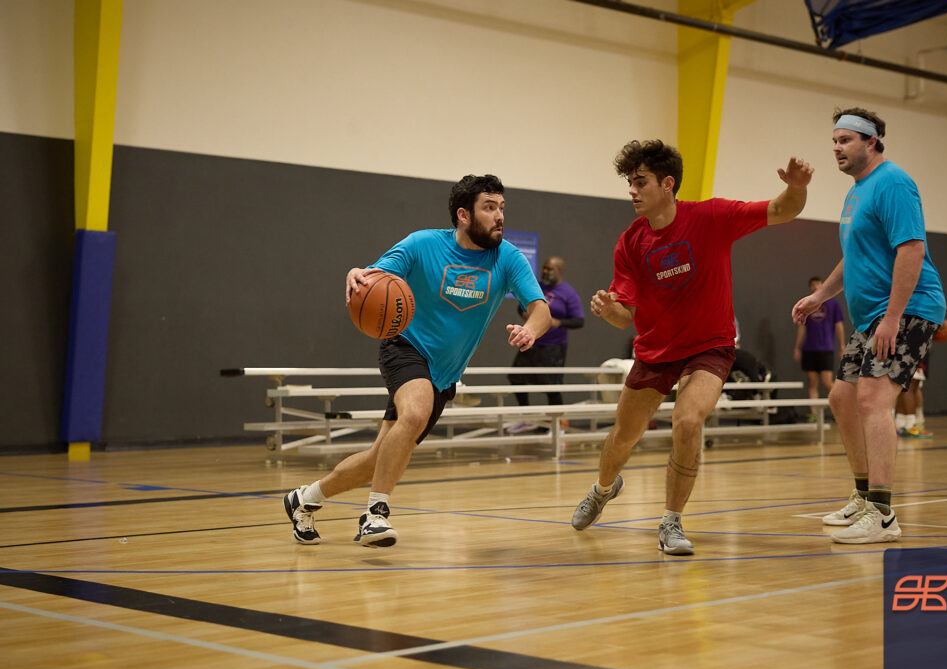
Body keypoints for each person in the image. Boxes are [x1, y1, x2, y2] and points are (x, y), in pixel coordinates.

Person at [571, 139, 813, 555]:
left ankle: (671, 521)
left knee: (687, 422)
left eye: (640, 182)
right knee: (623, 437)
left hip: (709, 347)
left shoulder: (712, 216)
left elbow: (782, 209)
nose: (632, 190)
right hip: (655, 350)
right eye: (630, 182)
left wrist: (797, 187)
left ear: (668, 184)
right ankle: (603, 488)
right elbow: (624, 316)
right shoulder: (630, 242)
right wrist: (608, 309)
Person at [284, 175, 550, 547]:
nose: (499, 216)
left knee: (379, 458)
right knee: (416, 411)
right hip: (405, 347)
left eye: (501, 207)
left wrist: (531, 330)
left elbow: (540, 309)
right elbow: (374, 276)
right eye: (489, 207)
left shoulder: (507, 258)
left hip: (444, 374)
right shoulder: (423, 244)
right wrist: (357, 274)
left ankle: (304, 499)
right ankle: (375, 515)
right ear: (463, 215)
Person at [793, 107, 946, 544]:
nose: (836, 148)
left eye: (845, 140)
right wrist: (822, 295)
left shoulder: (893, 182)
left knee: (873, 399)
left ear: (871, 141)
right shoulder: (857, 191)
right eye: (834, 141)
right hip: (871, 316)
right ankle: (863, 497)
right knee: (841, 398)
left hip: (908, 308)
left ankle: (881, 514)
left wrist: (893, 318)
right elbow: (855, 256)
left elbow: (912, 250)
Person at [508, 256, 584, 409]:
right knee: (517, 378)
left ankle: (557, 420)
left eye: (550, 269)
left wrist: (557, 322)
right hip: (532, 341)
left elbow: (579, 321)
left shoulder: (568, 293)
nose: (545, 271)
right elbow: (521, 306)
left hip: (553, 346)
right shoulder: (537, 286)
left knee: (552, 386)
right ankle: (526, 414)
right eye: (544, 268)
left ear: (559, 271)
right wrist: (524, 314)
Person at [793, 276, 844, 417]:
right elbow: (801, 327)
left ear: (823, 285)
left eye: (818, 284)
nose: (816, 287)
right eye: (813, 285)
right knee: (812, 382)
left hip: (826, 348)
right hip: (809, 349)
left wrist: (842, 345)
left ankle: (841, 411)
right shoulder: (807, 305)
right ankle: (814, 415)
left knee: (827, 382)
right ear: (810, 288)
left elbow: (839, 325)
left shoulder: (833, 304)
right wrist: (797, 347)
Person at [895, 357, 931, 438]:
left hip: (904, 357)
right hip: (910, 355)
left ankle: (900, 424)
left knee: (904, 387)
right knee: (910, 387)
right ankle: (910, 426)